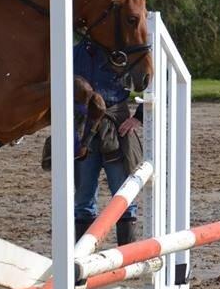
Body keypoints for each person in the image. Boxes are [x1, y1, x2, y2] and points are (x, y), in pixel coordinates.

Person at [43, 39, 145, 246]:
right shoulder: (71, 54)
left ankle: (128, 253)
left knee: (124, 195)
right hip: (82, 130)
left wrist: (138, 117)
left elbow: (154, 79)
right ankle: (83, 255)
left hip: (115, 128)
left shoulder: (121, 54)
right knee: (83, 199)